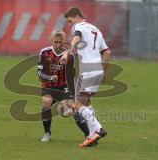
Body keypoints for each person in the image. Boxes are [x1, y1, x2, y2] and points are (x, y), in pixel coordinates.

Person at [60, 7, 112, 147]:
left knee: (78, 104)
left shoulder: (79, 26)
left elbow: (76, 38)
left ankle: (99, 129)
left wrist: (67, 53)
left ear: (76, 17)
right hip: (97, 70)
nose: (70, 25)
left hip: (87, 70)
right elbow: (107, 52)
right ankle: (91, 135)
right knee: (86, 103)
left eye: (70, 21)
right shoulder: (96, 30)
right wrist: (104, 71)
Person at [37, 30, 90, 142]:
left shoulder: (69, 56)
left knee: (73, 109)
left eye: (60, 42)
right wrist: (50, 77)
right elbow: (39, 73)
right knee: (46, 101)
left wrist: (74, 95)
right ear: (52, 40)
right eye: (55, 42)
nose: (58, 44)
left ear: (64, 42)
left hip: (64, 87)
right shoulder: (44, 52)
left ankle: (88, 135)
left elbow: (72, 76)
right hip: (49, 86)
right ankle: (47, 133)